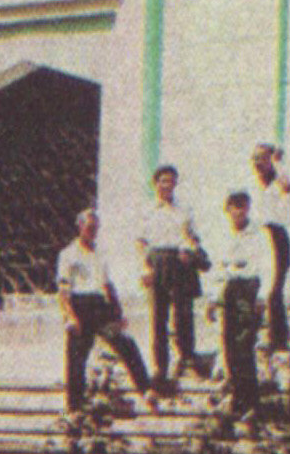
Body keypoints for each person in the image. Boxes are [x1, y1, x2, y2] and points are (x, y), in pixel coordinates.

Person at [56, 207, 153, 413]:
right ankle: (75, 405)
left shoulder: (100, 253)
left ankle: (145, 388)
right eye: (89, 227)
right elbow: (63, 290)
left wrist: (118, 313)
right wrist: (70, 316)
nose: (93, 232)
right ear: (80, 227)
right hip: (79, 304)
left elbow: (107, 285)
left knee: (125, 343)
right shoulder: (68, 254)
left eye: (96, 228)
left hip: (99, 305)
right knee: (76, 356)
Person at [137, 165, 204, 388]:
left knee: (183, 315)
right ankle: (160, 367)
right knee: (159, 317)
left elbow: (194, 237)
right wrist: (145, 268)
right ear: (155, 184)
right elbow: (141, 242)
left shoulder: (184, 209)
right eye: (163, 181)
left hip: (180, 261)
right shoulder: (147, 210)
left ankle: (186, 360)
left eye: (171, 181)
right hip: (157, 262)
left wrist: (190, 249)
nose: (167, 185)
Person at [211, 191, 274, 427]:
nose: (238, 211)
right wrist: (212, 298)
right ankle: (238, 399)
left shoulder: (259, 234)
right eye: (234, 206)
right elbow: (218, 268)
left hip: (249, 289)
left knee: (244, 345)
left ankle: (251, 402)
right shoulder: (223, 234)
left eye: (242, 206)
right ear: (227, 209)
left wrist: (262, 295)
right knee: (229, 345)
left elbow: (268, 267)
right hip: (229, 289)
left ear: (248, 208)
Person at [247, 142, 290, 352]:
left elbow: (288, 186)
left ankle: (278, 339)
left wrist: (278, 163)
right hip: (256, 236)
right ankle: (251, 336)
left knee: (274, 290)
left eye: (263, 158)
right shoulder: (251, 185)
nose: (258, 163)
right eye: (255, 158)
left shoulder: (279, 182)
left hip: (276, 236)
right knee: (253, 286)